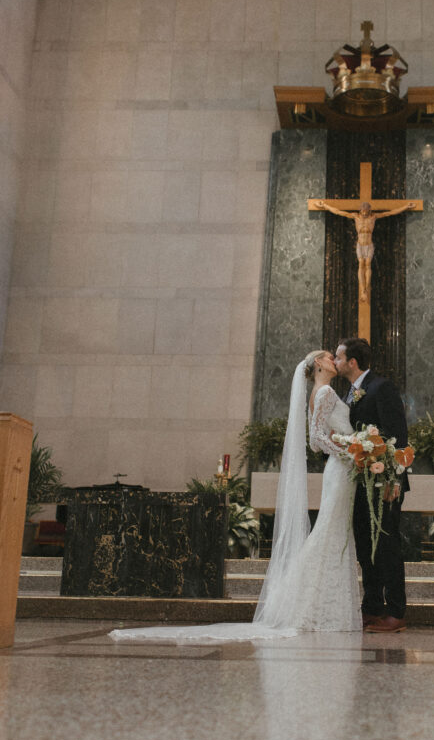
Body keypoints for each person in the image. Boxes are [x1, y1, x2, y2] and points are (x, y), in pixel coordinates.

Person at [109, 350, 361, 644]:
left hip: (339, 469)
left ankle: (309, 605)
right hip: (342, 468)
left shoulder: (318, 392)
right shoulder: (326, 391)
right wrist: (353, 453)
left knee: (330, 530)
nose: (334, 360)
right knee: (329, 531)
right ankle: (315, 608)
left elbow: (318, 442)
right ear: (318, 363)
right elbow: (317, 441)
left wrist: (347, 449)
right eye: (330, 357)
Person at [334, 337, 409, 633]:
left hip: (384, 483)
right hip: (361, 483)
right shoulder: (351, 393)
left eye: (339, 358)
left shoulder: (382, 387)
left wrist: (395, 479)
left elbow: (398, 436)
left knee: (388, 547)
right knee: (367, 548)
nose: (336, 362)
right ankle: (372, 607)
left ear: (352, 362)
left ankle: (397, 611)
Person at [316, 199, 415, 302]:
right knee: (361, 263)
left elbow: (390, 213)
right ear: (360, 210)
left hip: (369, 244)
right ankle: (363, 289)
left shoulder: (373, 217)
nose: (364, 213)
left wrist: (406, 207)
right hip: (360, 245)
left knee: (367, 264)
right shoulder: (356, 217)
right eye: (363, 211)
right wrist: (325, 206)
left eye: (366, 211)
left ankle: (365, 290)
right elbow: (339, 212)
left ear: (369, 210)